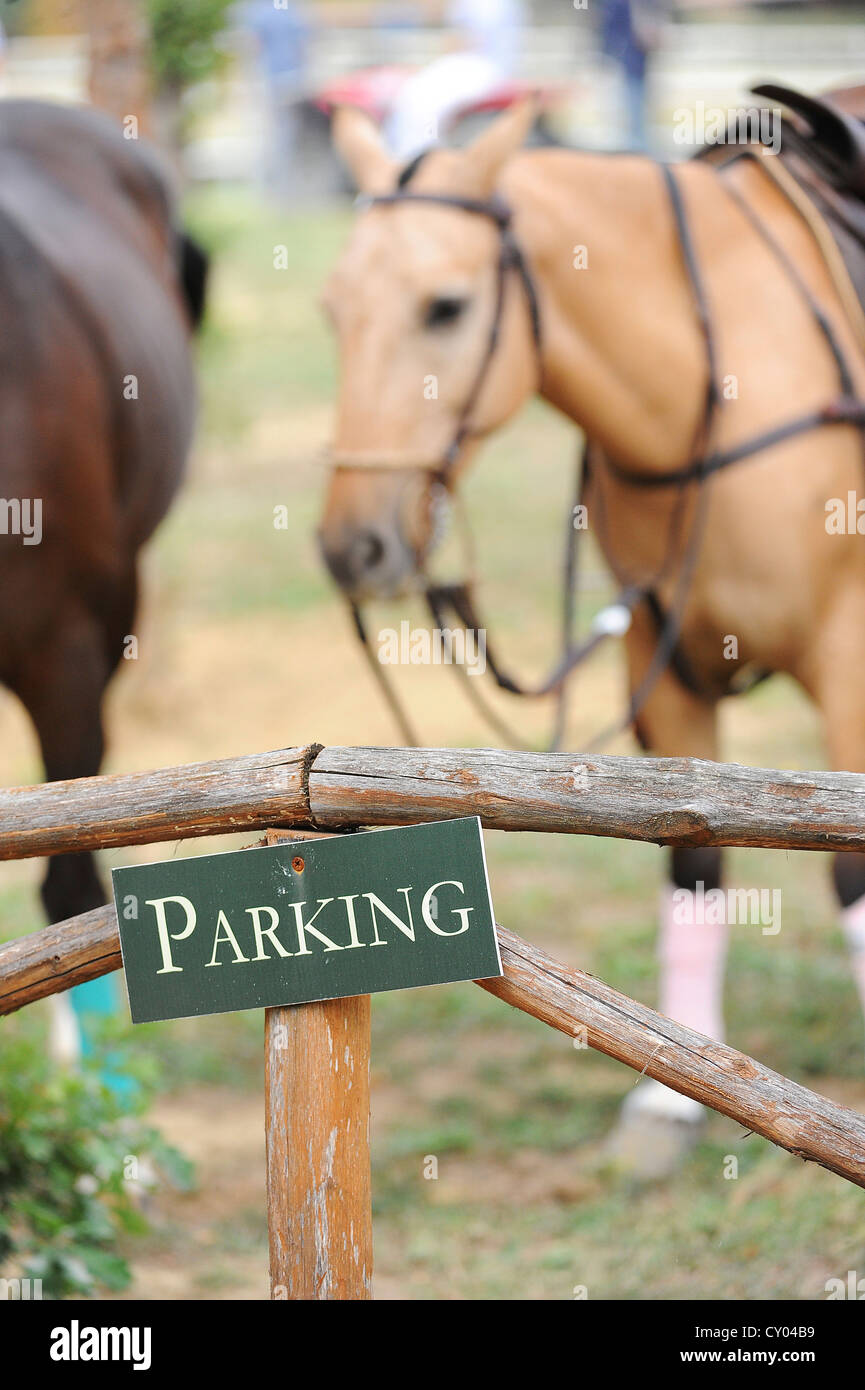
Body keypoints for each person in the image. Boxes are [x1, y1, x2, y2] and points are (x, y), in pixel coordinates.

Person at [385, 0, 526, 162]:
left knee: (423, 98)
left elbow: (469, 41)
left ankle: (418, 159)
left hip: (482, 67)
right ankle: (411, 155)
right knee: (415, 93)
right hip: (477, 64)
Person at [599, 0, 665, 153]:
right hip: (630, 61)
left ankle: (637, 147)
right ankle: (636, 147)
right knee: (632, 106)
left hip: (634, 61)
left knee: (634, 105)